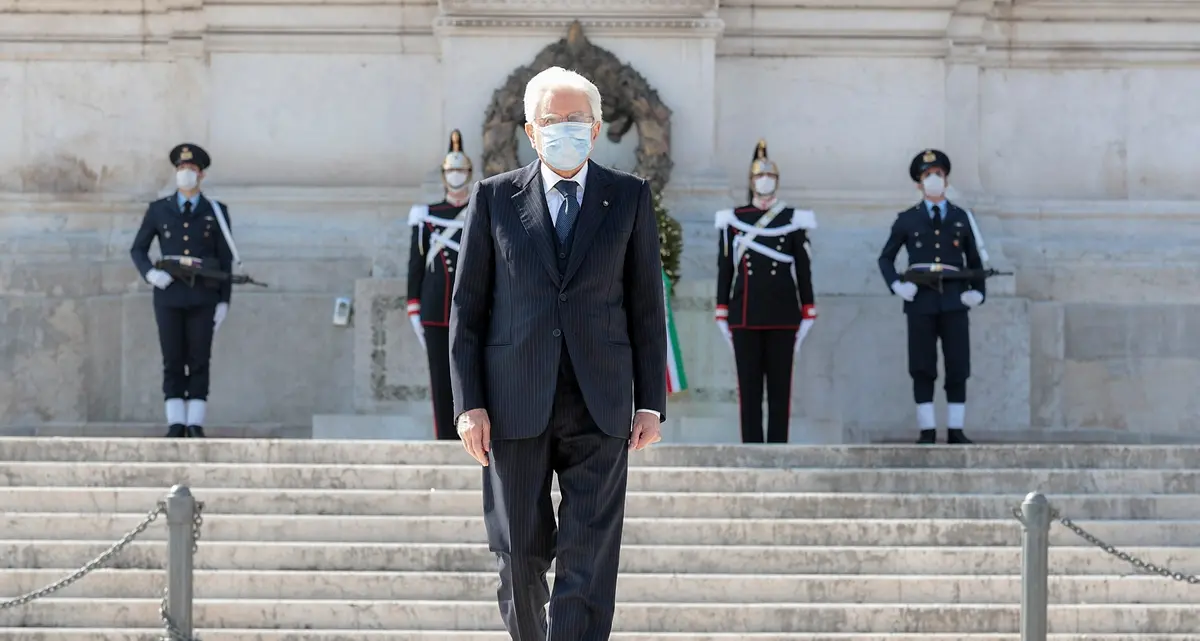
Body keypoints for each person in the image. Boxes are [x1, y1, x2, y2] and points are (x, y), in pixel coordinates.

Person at [449, 66, 667, 641]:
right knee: (518, 553)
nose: (564, 130)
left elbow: (647, 308)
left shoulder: (630, 197)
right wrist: (469, 404)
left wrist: (651, 402)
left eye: (576, 120)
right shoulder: (494, 199)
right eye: (552, 120)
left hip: (600, 400)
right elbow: (467, 311)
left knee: (588, 555)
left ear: (596, 130)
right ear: (530, 128)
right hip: (513, 399)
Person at [877, 148, 985, 445]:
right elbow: (885, 259)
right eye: (928, 175)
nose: (934, 179)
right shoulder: (906, 220)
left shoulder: (962, 218)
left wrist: (978, 292)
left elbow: (975, 261)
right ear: (919, 184)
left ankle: (955, 429)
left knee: (958, 365)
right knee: (922, 365)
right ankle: (926, 430)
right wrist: (897, 285)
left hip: (953, 299)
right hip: (920, 300)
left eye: (938, 174)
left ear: (946, 179)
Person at [714, 139, 817, 444]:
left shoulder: (793, 220)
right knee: (748, 388)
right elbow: (725, 269)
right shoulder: (734, 220)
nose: (765, 182)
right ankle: (751, 447)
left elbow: (804, 268)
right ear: (751, 182)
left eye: (770, 177)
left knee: (780, 388)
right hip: (745, 313)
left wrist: (808, 307)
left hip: (784, 313)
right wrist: (722, 308)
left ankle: (778, 446)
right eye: (760, 177)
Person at [130, 144, 234, 438]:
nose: (184, 174)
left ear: (200, 174)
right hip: (169, 295)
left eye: (190, 169)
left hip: (204, 295)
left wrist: (224, 300)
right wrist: (150, 273)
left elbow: (225, 260)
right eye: (180, 169)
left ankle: (195, 421)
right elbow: (138, 248)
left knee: (200, 358)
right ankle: (176, 421)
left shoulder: (216, 211)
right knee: (173, 357)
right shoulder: (159, 209)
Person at [407, 129, 473, 440]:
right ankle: (445, 438)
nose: (457, 176)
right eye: (452, 171)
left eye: (461, 171)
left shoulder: (479, 211)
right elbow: (415, 267)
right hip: (436, 310)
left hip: (472, 308)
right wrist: (413, 308)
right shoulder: (427, 215)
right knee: (440, 378)